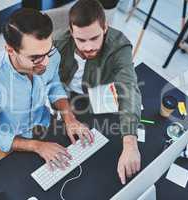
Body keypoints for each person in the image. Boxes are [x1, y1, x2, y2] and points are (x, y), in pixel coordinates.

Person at [0, 8, 93, 170]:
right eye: (35, 58)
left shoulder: (51, 56)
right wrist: (37, 146)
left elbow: (53, 85)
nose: (46, 63)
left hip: (43, 122)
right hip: (10, 137)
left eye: (47, 52)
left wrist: (69, 118)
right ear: (10, 50)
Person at [54, 0, 142, 184]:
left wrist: (130, 143)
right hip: (66, 99)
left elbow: (128, 88)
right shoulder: (58, 44)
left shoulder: (119, 45)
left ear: (105, 28)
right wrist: (69, 118)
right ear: (71, 33)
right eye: (81, 40)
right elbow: (50, 82)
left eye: (94, 38)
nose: (88, 47)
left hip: (98, 95)